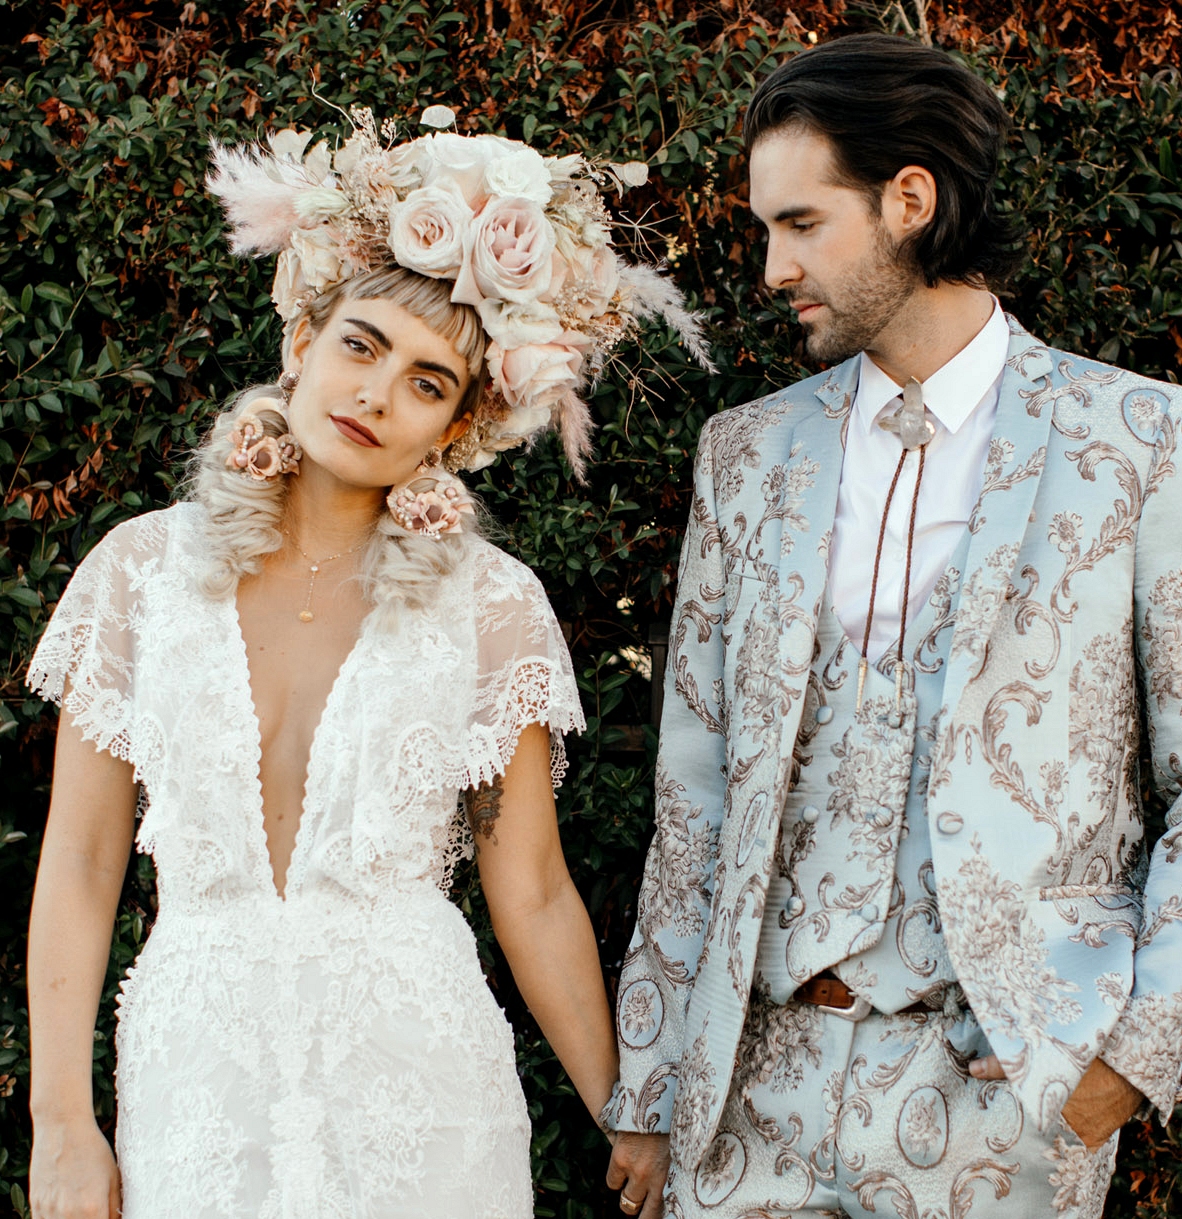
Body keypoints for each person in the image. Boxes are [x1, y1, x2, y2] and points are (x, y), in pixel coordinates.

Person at [25, 105, 707, 1219]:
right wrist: (62, 1123)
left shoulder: (493, 606)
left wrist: (624, 1106)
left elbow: (529, 888)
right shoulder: (138, 575)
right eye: (362, 345)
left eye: (429, 383)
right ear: (303, 341)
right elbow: (84, 858)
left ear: (455, 426)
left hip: (425, 1110)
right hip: (196, 1094)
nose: (378, 395)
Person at [603, 32, 1182, 1219]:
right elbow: (694, 795)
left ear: (910, 200)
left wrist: (1132, 1059)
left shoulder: (1142, 442)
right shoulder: (746, 454)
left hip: (1000, 1103)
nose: (771, 267)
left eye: (802, 223)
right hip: (750, 1094)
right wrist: (653, 1091)